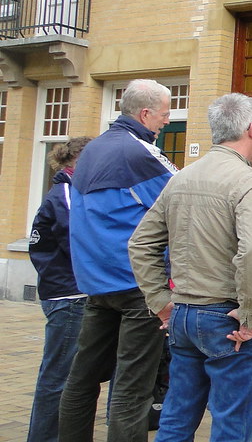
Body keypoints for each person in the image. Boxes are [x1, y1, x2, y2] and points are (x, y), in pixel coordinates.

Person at [129, 93, 252, 441]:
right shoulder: (251, 181)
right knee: (231, 422)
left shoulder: (181, 178)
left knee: (178, 416)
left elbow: (140, 243)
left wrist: (161, 300)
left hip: (184, 313)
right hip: (227, 318)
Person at [60, 79, 176, 442]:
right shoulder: (139, 153)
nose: (166, 122)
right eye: (163, 115)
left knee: (81, 380)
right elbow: (183, 199)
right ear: (144, 114)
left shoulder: (92, 150)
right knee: (132, 388)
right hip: (138, 286)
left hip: (96, 284)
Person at [27, 136, 91, 442]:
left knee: (64, 374)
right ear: (78, 163)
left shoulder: (68, 191)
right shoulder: (65, 194)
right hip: (69, 296)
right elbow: (78, 241)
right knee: (58, 377)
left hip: (68, 293)